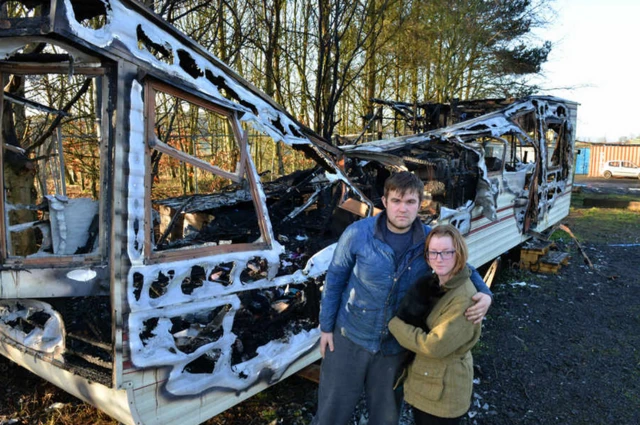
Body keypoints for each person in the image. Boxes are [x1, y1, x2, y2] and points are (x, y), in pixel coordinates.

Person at [311, 171, 491, 425]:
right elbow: (335, 279)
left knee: (386, 417)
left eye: (410, 202)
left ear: (420, 204)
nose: (402, 209)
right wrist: (326, 327)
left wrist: (486, 295)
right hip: (350, 337)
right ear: (384, 201)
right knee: (331, 414)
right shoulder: (358, 234)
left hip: (394, 348)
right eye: (396, 201)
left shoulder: (429, 240)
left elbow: (462, 267)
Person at [388, 224, 482, 425]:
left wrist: (394, 325)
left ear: (459, 253)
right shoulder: (438, 283)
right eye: (434, 253)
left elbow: (434, 345)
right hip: (430, 383)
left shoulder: (464, 299)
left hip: (443, 393)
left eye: (446, 252)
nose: (439, 259)